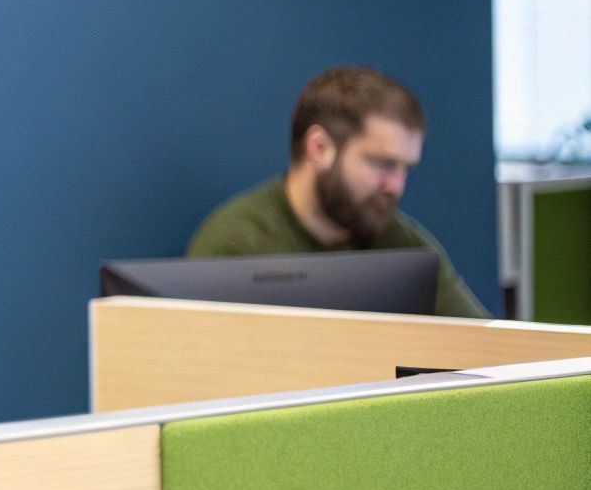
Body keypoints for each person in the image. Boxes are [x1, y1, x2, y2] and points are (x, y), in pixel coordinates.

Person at [188, 65, 489, 318]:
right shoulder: (234, 243)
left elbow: (490, 351)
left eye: (405, 168)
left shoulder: (403, 245)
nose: (396, 187)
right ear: (319, 148)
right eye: (382, 164)